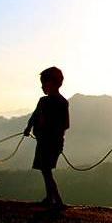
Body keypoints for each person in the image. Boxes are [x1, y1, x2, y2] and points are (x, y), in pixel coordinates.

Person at [24, 66, 70, 210]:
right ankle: (50, 198)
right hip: (45, 141)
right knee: (45, 170)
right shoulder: (44, 101)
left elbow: (64, 125)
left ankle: (57, 201)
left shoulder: (60, 103)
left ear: (51, 83)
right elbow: (35, 115)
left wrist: (44, 130)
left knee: (46, 170)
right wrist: (28, 127)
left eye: (44, 83)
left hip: (50, 142)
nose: (42, 86)